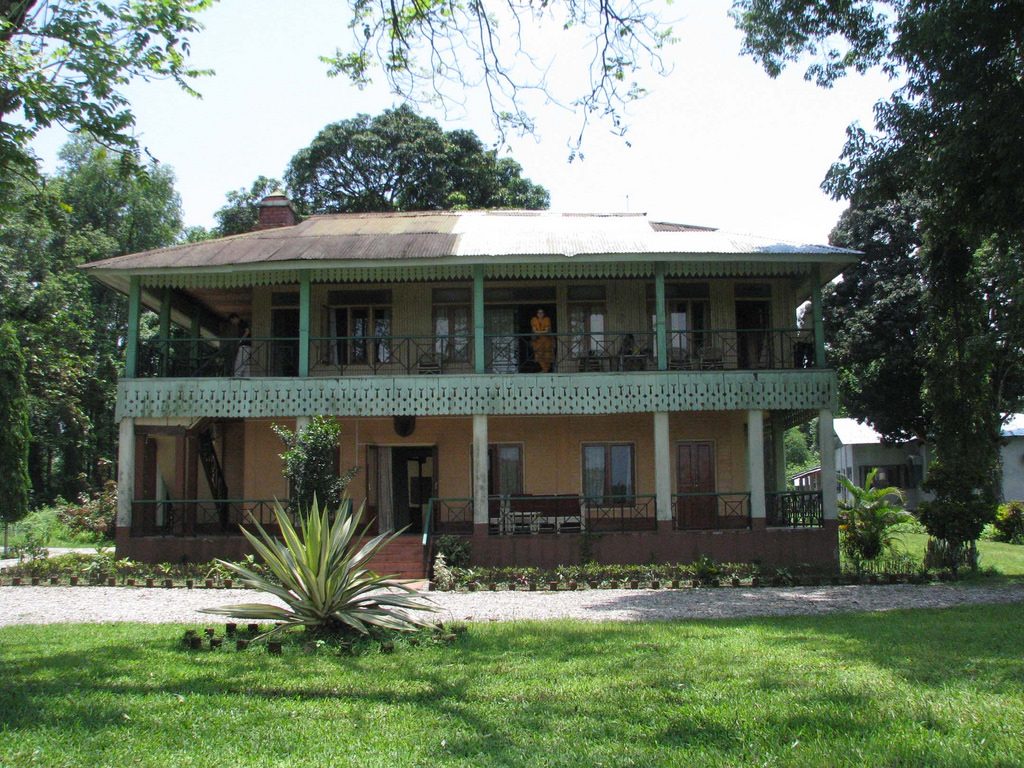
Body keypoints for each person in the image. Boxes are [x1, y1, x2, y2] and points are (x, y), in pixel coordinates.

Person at [530, 308, 554, 372]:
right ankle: (544, 369)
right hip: (538, 341)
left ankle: (546, 370)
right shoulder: (534, 320)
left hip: (547, 341)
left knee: (547, 355)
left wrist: (539, 332)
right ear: (537, 314)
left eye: (541, 313)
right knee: (539, 355)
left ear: (544, 314)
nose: (540, 314)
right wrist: (542, 332)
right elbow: (534, 330)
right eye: (539, 313)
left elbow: (547, 330)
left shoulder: (547, 319)